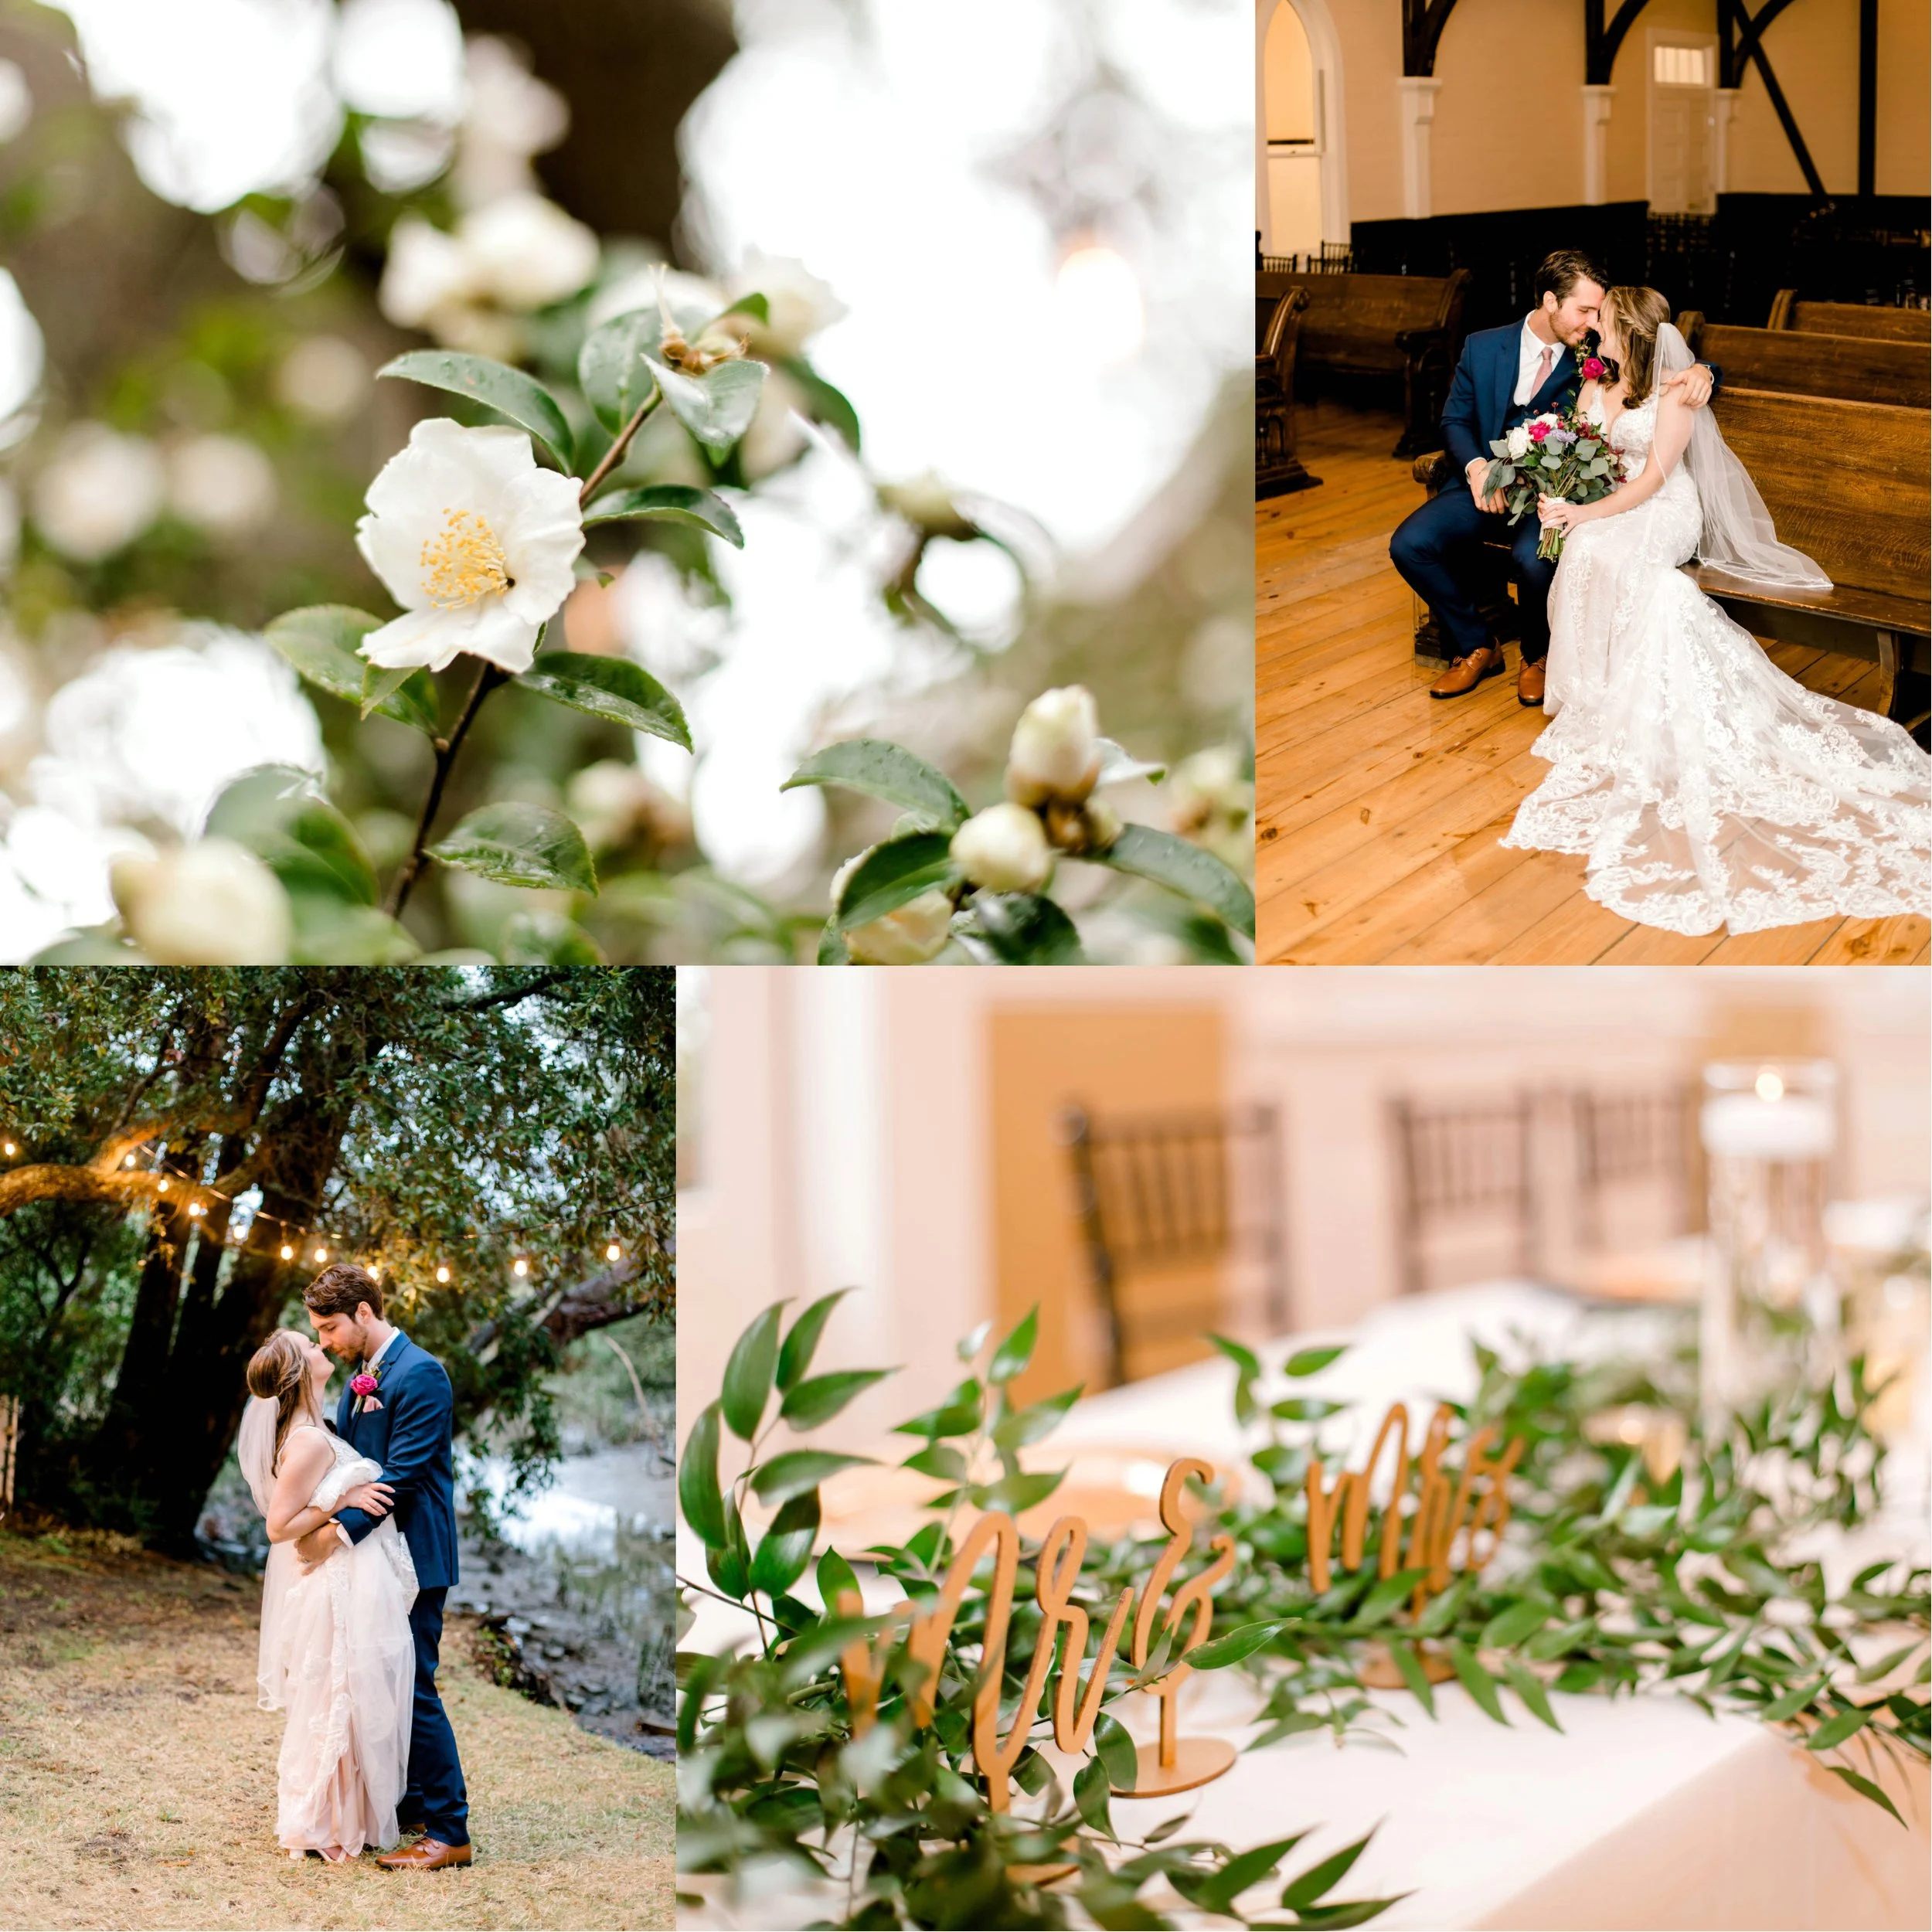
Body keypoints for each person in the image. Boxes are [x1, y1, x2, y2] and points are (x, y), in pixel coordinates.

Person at [1502, 284, 1931, 934]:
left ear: (1634, 333)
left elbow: (1651, 480)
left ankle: (1628, 688)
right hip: (1615, 503)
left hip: (1665, 509)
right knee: (1588, 552)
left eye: (1605, 324)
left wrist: (1583, 511)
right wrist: (1564, 495)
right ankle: (1593, 691)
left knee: (1605, 549)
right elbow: (1585, 449)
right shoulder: (1597, 379)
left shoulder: (1678, 389)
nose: (1594, 332)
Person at [1390, 248, 1716, 707]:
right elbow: (1454, 422)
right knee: (1410, 544)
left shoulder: (1597, 352)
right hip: (1486, 484)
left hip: (1552, 489)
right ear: (1549, 302)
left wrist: (1705, 370)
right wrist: (1479, 468)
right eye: (1584, 310)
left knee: (1532, 558)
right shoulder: (1483, 346)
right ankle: (1476, 644)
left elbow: (1655, 349)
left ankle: (1538, 657)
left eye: (1598, 312)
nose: (1593, 320)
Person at [296, 1262, 474, 1869]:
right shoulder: (357, 1383)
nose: (325, 1342)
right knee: (388, 1679)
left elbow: (405, 1473)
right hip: (376, 1558)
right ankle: (416, 1806)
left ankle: (450, 1832)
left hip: (417, 1555)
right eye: (318, 1332)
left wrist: (334, 1533)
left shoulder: (422, 1373)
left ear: (365, 1313)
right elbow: (349, 1461)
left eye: (330, 1328)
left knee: (416, 1683)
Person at [239, 1328, 415, 1862]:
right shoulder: (309, 1440)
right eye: (311, 1346)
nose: (323, 1348)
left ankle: (342, 1812)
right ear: (300, 1371)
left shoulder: (317, 1427)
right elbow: (277, 1527)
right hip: (333, 1584)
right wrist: (344, 1501)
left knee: (347, 1694)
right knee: (336, 1694)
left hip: (345, 1577)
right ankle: (323, 1817)